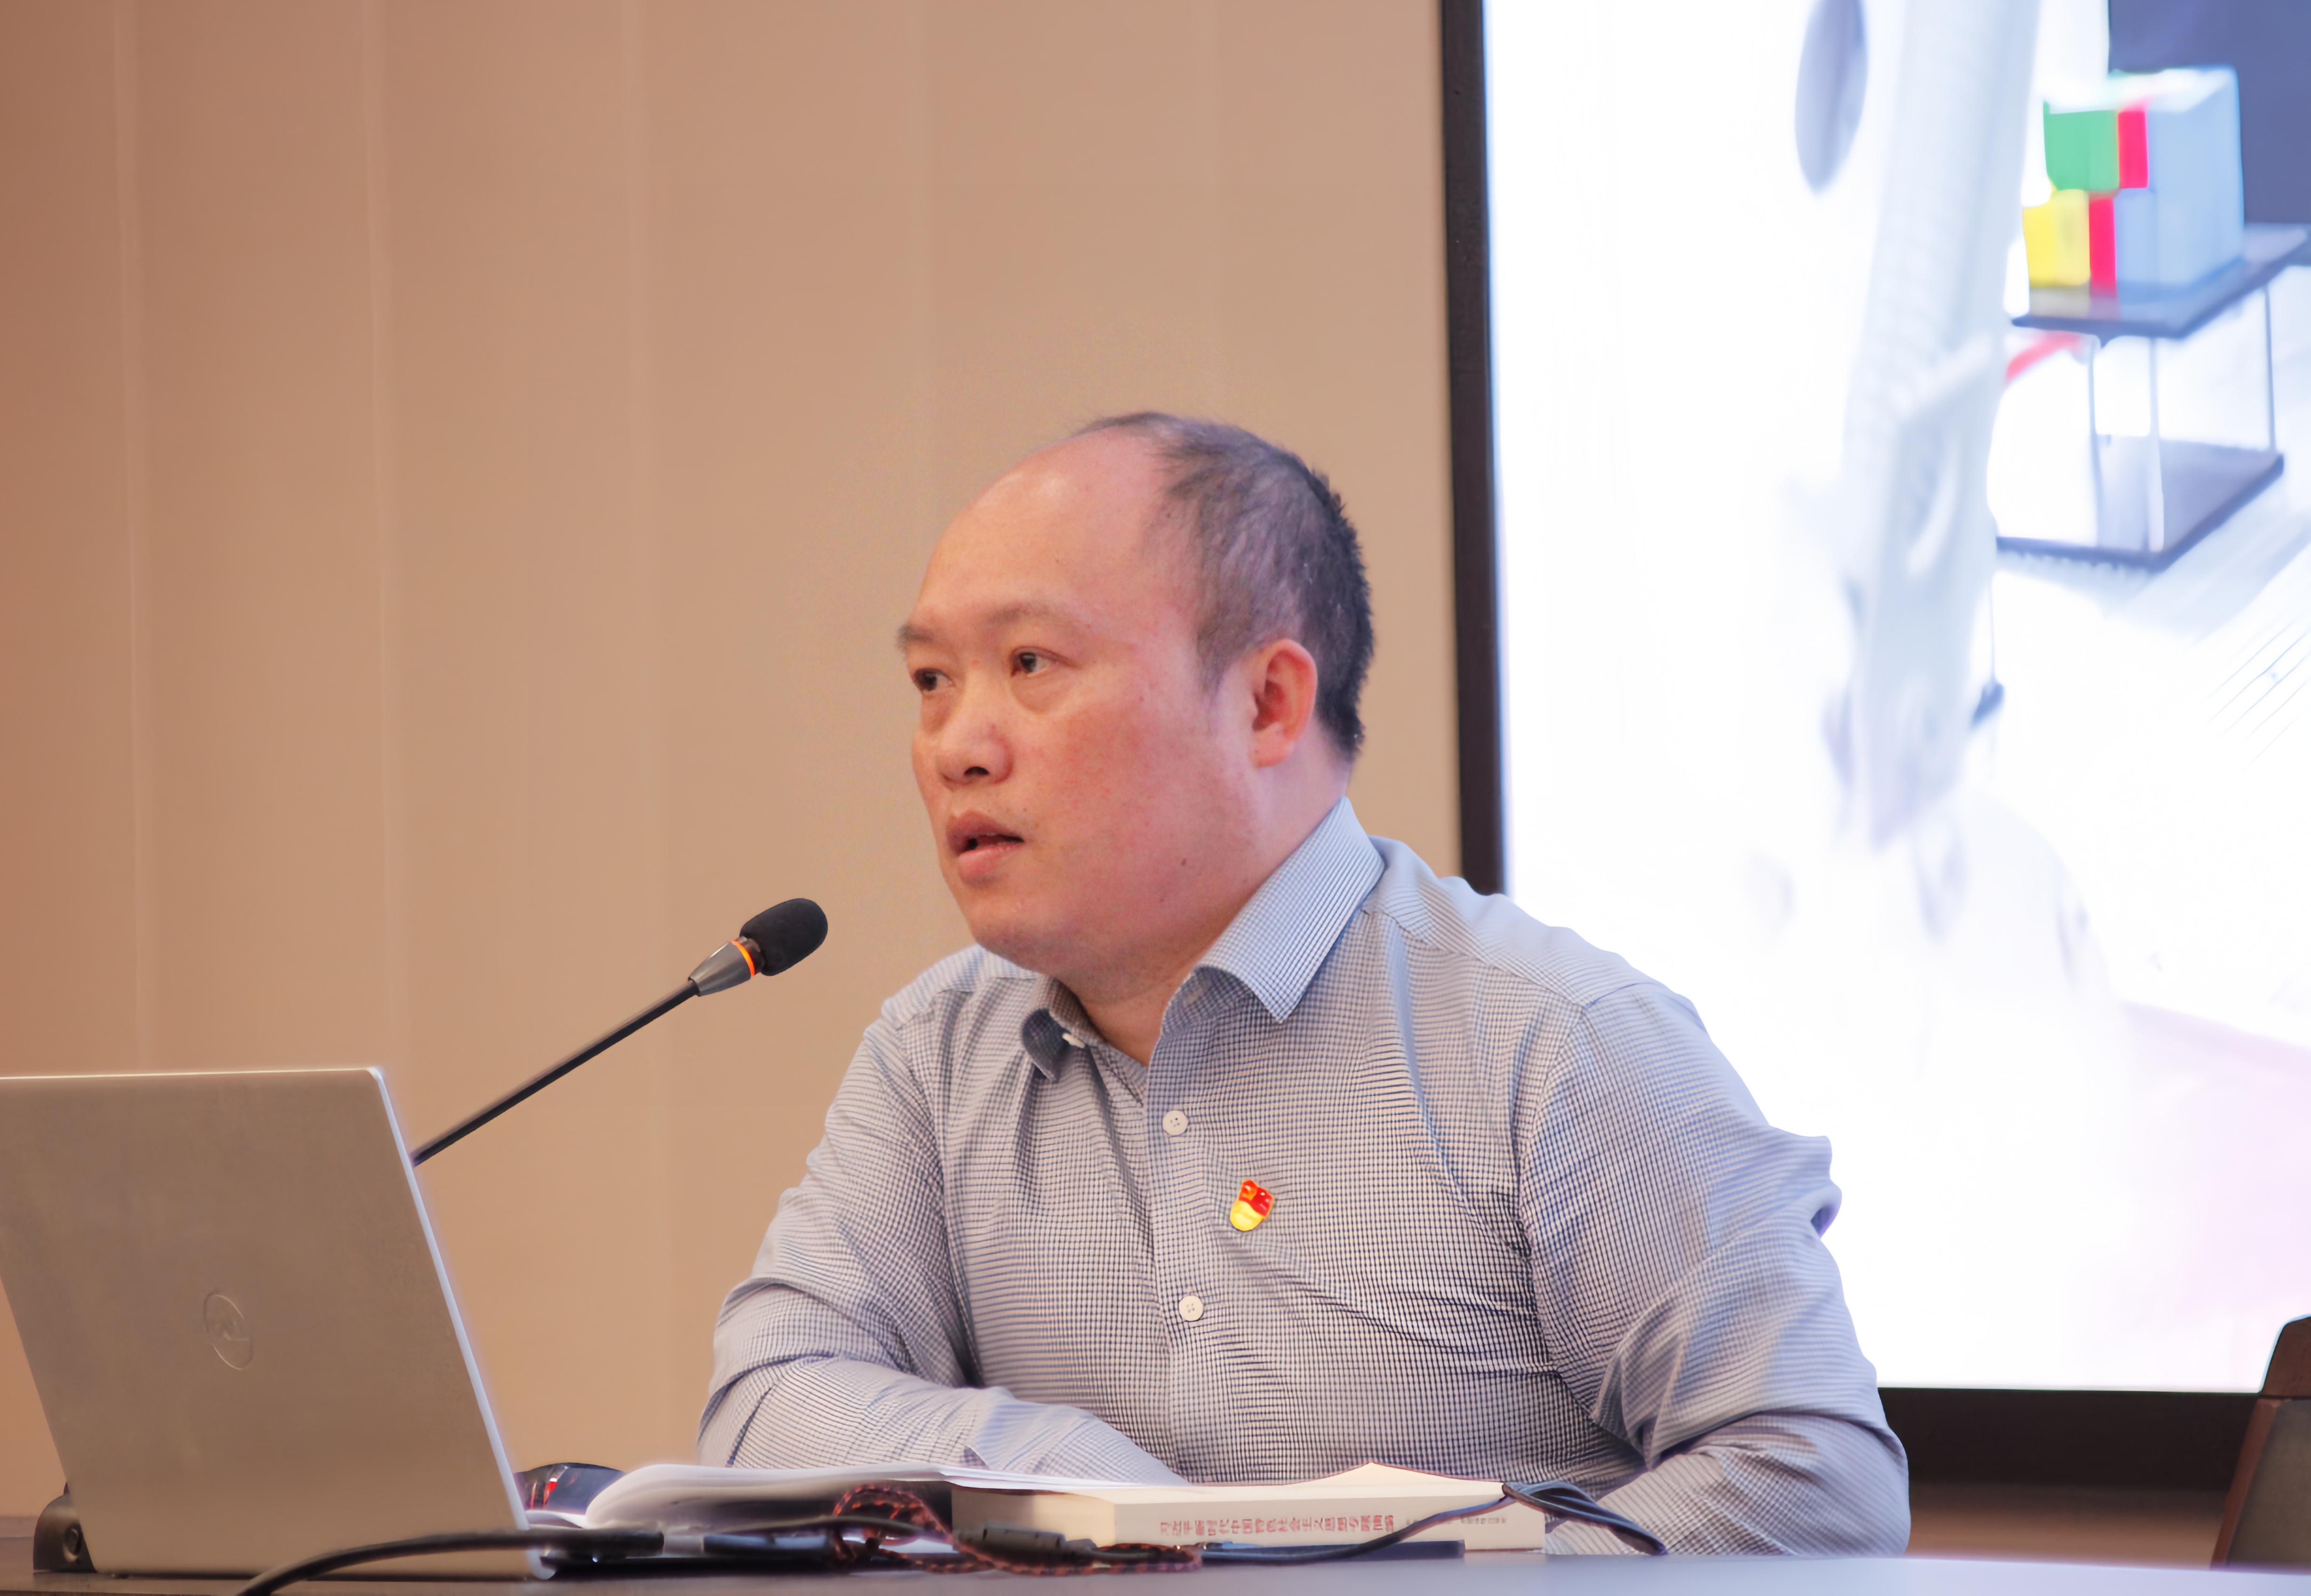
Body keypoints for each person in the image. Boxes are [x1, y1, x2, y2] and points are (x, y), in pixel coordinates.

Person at [698, 414, 1911, 1555]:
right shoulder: (937, 1051)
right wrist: (1087, 1489)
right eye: (930, 681)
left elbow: (1815, 1478)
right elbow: (770, 1394)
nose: (959, 745)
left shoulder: (1554, 1042)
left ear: (1268, 703)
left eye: (1030, 663)